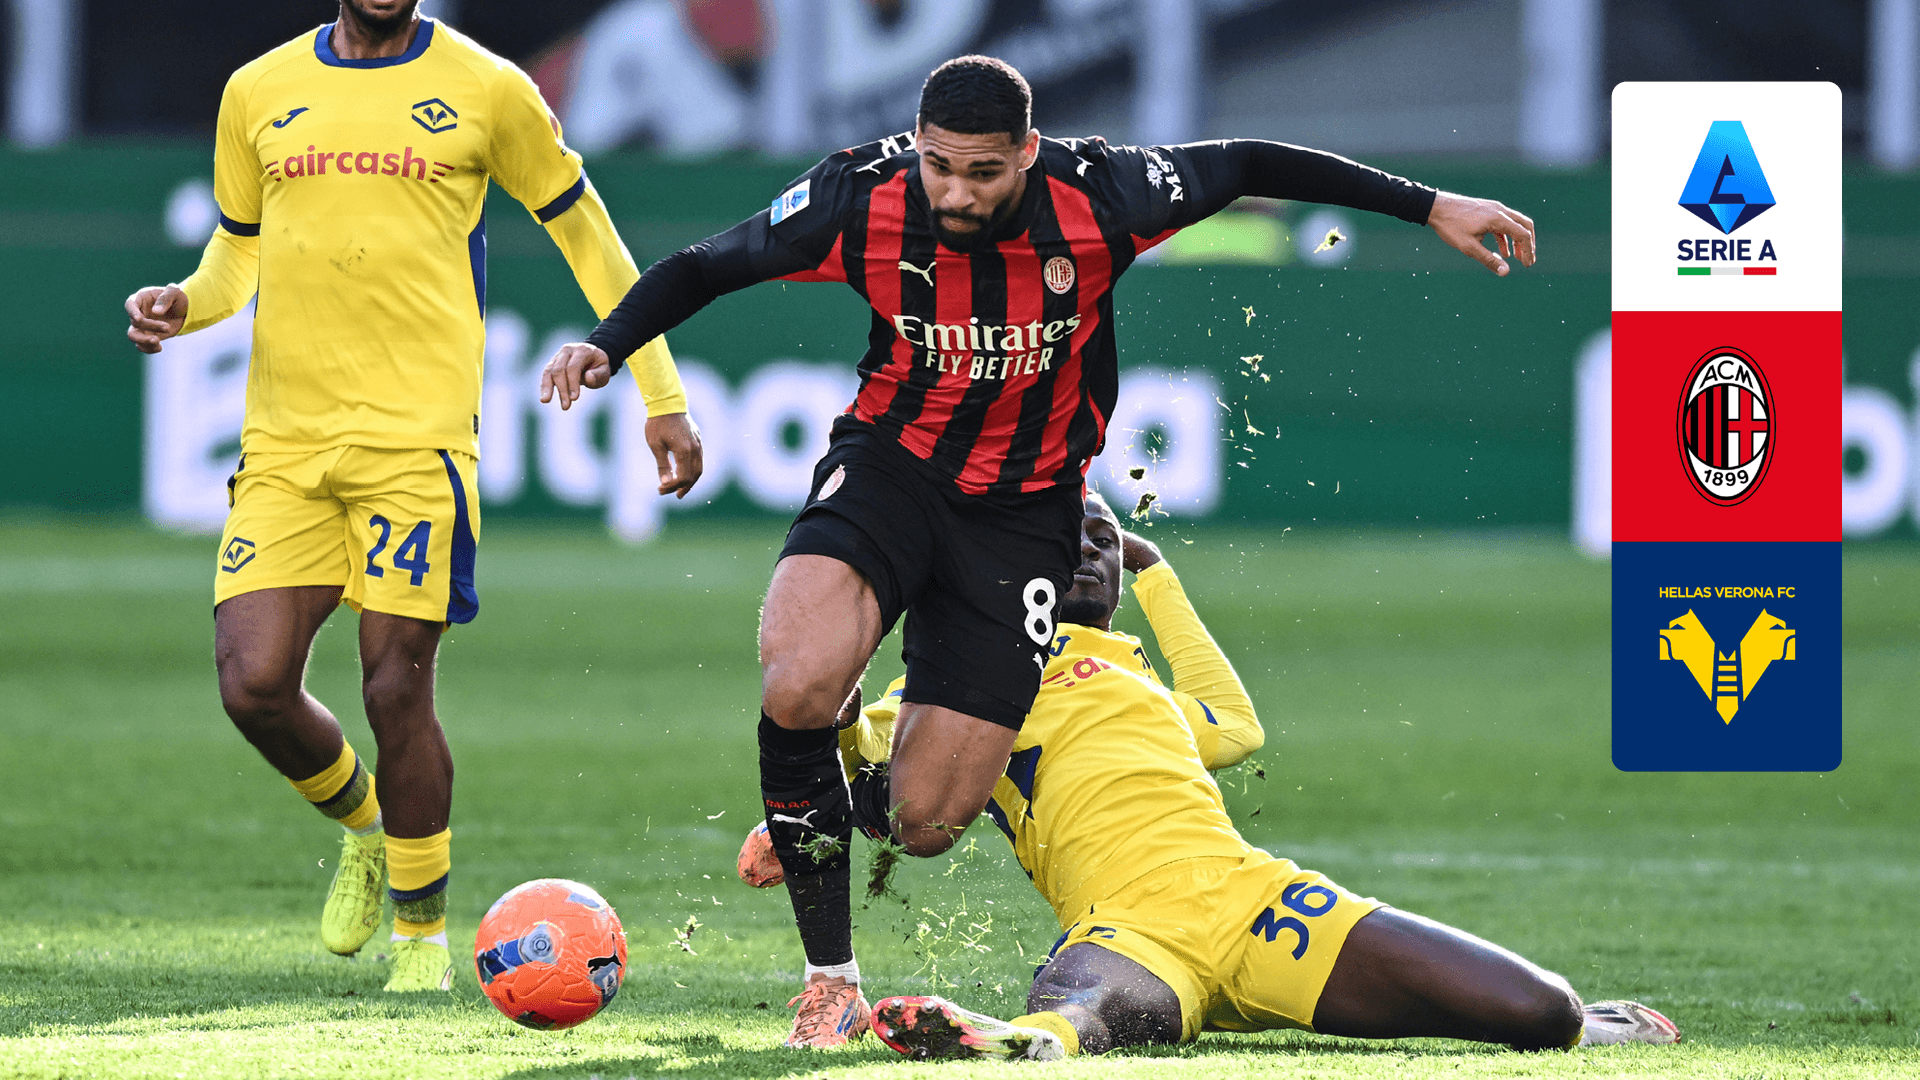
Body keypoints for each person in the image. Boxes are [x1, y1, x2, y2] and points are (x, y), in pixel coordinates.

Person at [539, 54, 1535, 1045]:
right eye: (939, 166)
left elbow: (1246, 161)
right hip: (891, 467)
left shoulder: (1104, 194)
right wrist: (610, 343)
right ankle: (830, 981)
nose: (956, 191)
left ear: (1027, 152)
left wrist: (1430, 203)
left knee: (927, 822)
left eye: (982, 171)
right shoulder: (860, 195)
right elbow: (710, 263)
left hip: (1023, 517)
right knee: (795, 681)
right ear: (918, 149)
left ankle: (838, 774)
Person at [123, 0, 701, 991]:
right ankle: (367, 827)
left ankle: (423, 943)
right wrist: (189, 301)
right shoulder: (259, 90)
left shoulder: (488, 88)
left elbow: (587, 233)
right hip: (286, 441)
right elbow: (236, 252)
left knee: (394, 686)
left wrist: (660, 391)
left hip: (415, 441)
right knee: (252, 684)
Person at [739, 494, 1682, 1060]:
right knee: (1082, 1009)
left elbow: (1235, 724)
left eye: (1105, 538)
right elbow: (853, 747)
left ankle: (1586, 1031)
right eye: (1068, 537)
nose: (1091, 547)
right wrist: (790, 829)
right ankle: (1027, 1045)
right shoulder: (965, 684)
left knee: (1541, 1011)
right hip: (1128, 929)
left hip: (1261, 903)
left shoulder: (1134, 675)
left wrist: (1158, 575)